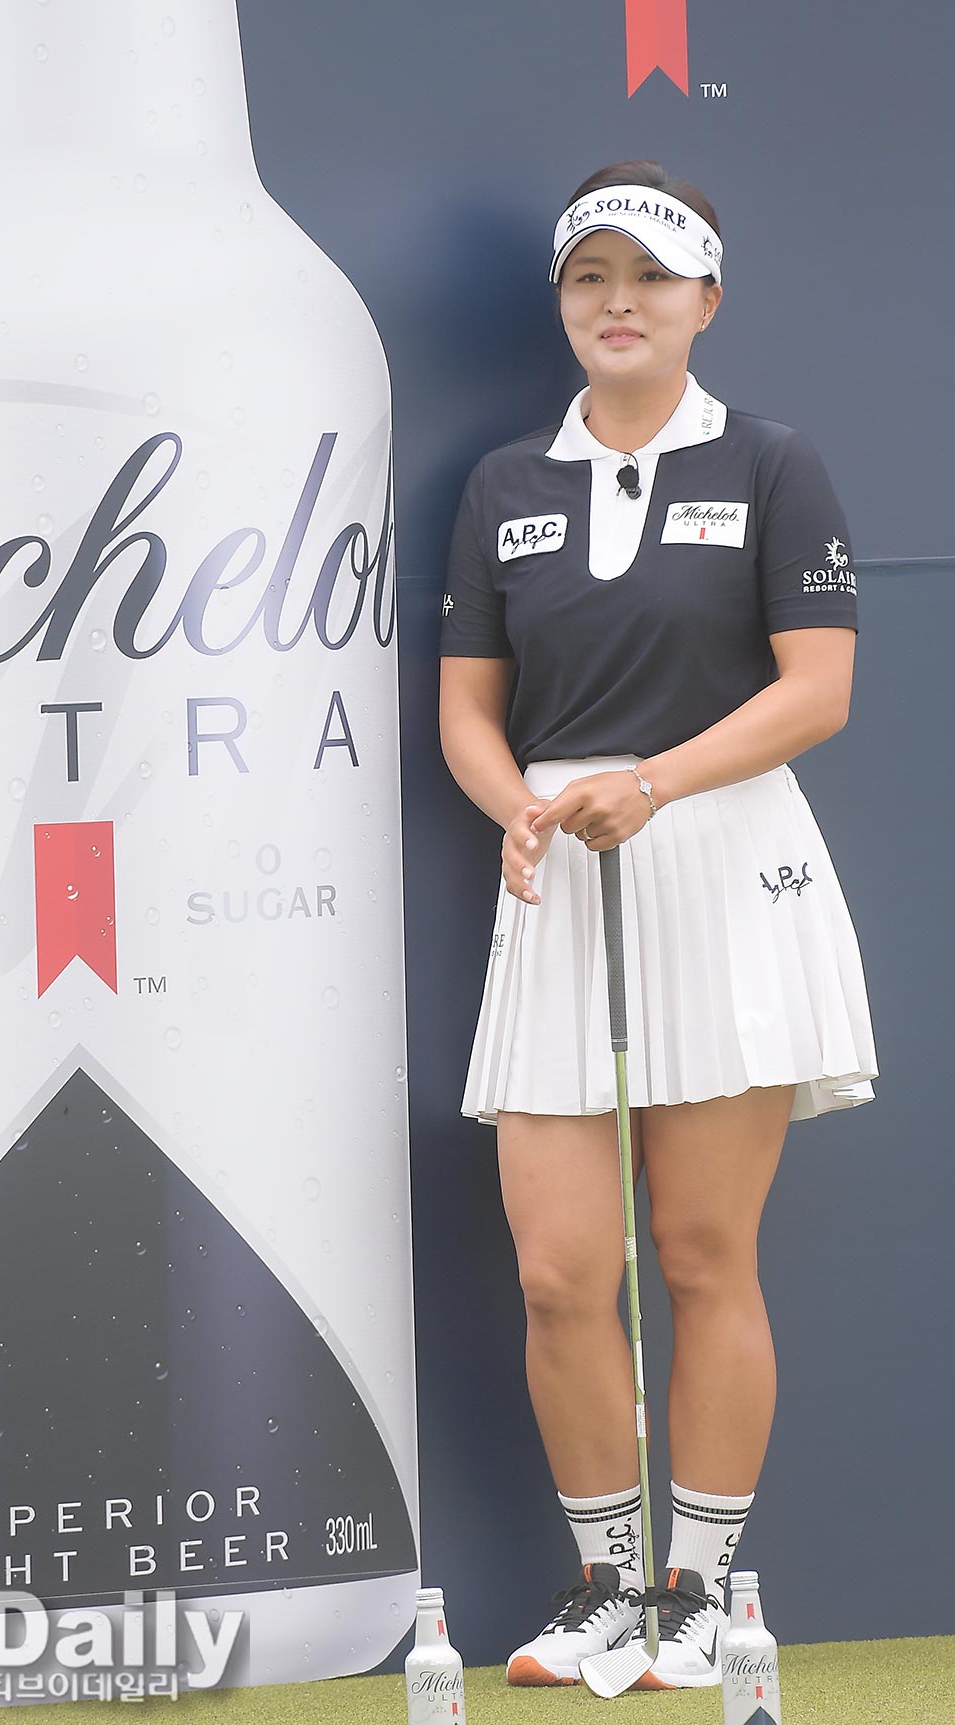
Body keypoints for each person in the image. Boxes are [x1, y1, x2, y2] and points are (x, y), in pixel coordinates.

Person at [437, 160, 878, 1691]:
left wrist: (656, 782)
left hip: (721, 858)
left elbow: (817, 690)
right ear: (564, 302)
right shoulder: (505, 485)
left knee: (700, 1251)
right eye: (589, 277)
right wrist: (515, 803)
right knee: (561, 1269)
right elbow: (468, 709)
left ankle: (695, 1586)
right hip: (561, 871)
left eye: (649, 277)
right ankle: (603, 1587)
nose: (617, 303)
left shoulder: (772, 463)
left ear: (706, 299)